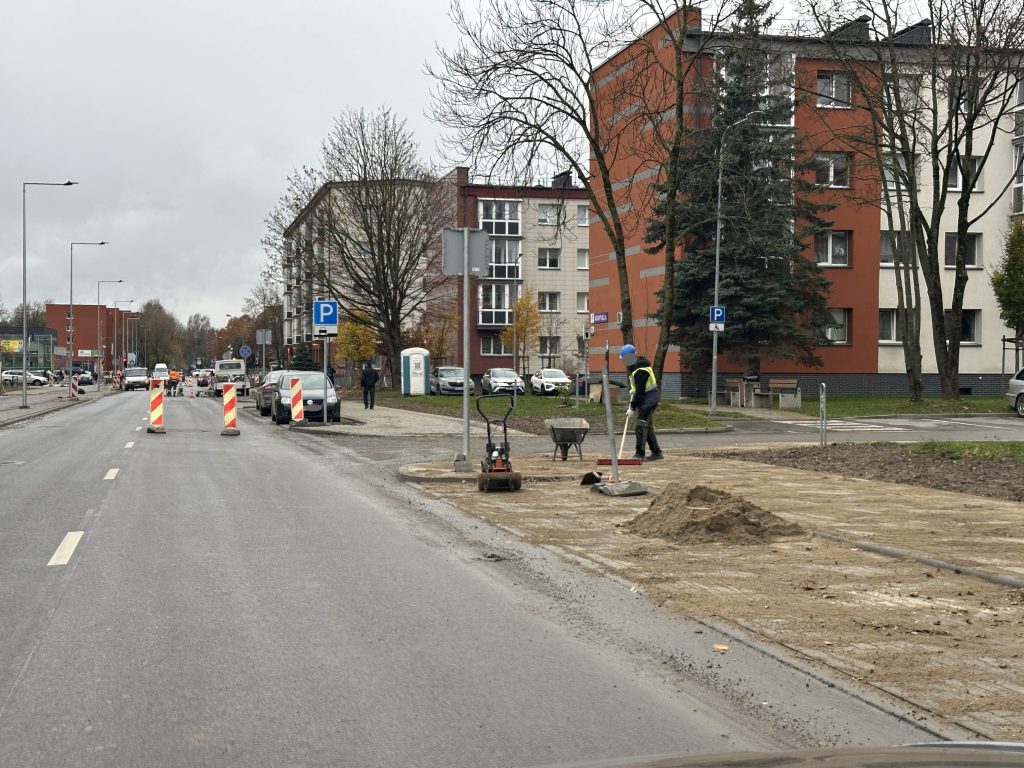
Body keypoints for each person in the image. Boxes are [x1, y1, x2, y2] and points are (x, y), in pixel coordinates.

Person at [619, 344, 664, 461]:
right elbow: (637, 389)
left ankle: (640, 454)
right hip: (646, 399)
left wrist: (632, 407)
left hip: (649, 400)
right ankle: (657, 452)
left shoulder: (640, 370)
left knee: (641, 425)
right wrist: (632, 393)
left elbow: (640, 391)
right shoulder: (635, 367)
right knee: (646, 426)